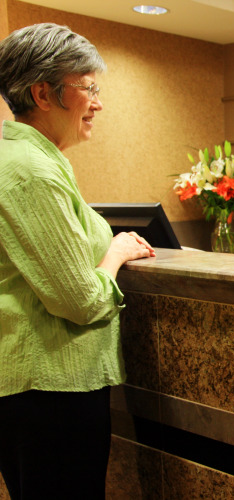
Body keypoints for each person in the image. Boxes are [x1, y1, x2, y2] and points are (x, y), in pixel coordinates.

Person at [0, 23, 155, 499]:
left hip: (39, 390)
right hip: (50, 391)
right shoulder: (32, 171)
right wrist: (116, 253)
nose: (97, 103)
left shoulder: (27, 158)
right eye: (88, 88)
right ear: (42, 93)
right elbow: (80, 300)